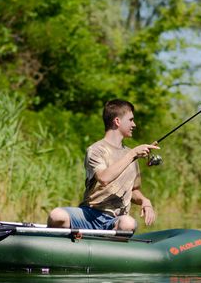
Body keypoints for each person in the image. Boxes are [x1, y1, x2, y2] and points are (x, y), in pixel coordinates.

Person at [47, 99, 159, 231]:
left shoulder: (131, 155)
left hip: (116, 219)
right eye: (131, 120)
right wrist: (133, 154)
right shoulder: (96, 150)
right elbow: (104, 178)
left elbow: (134, 191)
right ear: (117, 121)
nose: (134, 124)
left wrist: (145, 201)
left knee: (128, 224)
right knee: (57, 215)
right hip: (89, 215)